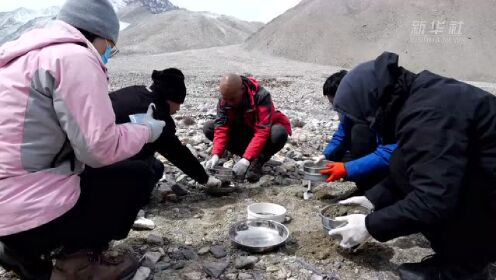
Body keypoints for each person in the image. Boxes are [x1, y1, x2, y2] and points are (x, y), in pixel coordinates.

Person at [0, 0, 165, 279]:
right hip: (30, 213)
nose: (109, 54)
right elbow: (99, 148)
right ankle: (77, 264)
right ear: (99, 35)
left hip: (8, 210)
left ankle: (20, 252)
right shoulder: (74, 57)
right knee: (139, 174)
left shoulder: (18, 58)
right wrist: (146, 131)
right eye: (110, 47)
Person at [327, 52, 496, 279]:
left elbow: (435, 198)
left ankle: (465, 268)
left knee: (434, 195)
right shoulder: (418, 95)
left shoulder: (427, 115)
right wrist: (374, 198)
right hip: (485, 179)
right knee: (400, 161)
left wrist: (369, 226)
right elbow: (412, 163)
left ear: (373, 104)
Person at [109, 68, 222, 189]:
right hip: (105, 161)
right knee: (149, 173)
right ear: (169, 99)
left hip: (93, 152)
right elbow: (176, 152)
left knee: (156, 166)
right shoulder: (157, 114)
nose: (178, 109)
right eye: (178, 103)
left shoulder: (136, 90)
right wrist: (204, 178)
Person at [316, 70, 397, 193]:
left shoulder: (382, 108)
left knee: (359, 131)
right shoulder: (349, 109)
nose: (335, 107)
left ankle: (370, 186)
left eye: (335, 103)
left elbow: (388, 151)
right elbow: (341, 133)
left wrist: (348, 169)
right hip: (374, 153)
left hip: (389, 157)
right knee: (335, 159)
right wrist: (325, 155)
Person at [203, 74, 292, 182]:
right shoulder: (224, 99)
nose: (229, 102)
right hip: (243, 131)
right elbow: (221, 128)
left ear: (242, 89)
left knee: (279, 133)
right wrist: (216, 155)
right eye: (226, 99)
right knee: (208, 128)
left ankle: (257, 161)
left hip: (262, 134)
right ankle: (247, 157)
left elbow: (262, 131)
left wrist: (246, 160)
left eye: (232, 99)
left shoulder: (261, 96)